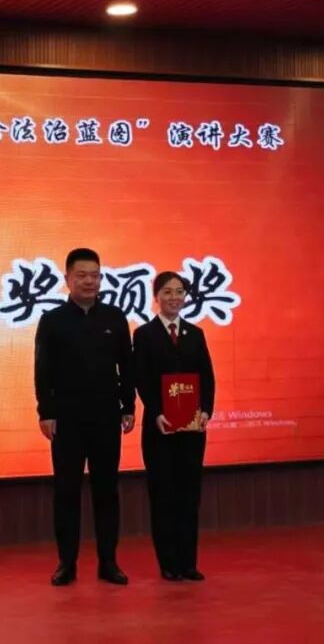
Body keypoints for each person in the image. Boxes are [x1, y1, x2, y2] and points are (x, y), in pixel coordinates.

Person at [34, 248, 135, 586]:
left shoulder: (115, 318)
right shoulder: (53, 320)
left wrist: (128, 406)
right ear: (67, 279)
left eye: (95, 275)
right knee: (66, 491)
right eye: (82, 275)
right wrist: (46, 412)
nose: (89, 281)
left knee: (107, 490)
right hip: (67, 419)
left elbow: (127, 366)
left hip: (106, 417)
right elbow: (42, 371)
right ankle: (67, 563)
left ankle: (109, 562)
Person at [133, 271, 215, 582]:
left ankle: (188, 563)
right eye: (167, 292)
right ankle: (168, 563)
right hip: (160, 429)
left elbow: (207, 378)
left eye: (179, 291)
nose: (174, 297)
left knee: (189, 495)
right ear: (156, 297)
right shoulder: (144, 335)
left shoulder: (196, 334)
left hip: (192, 429)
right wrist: (155, 412)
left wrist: (206, 411)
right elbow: (142, 379)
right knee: (163, 495)